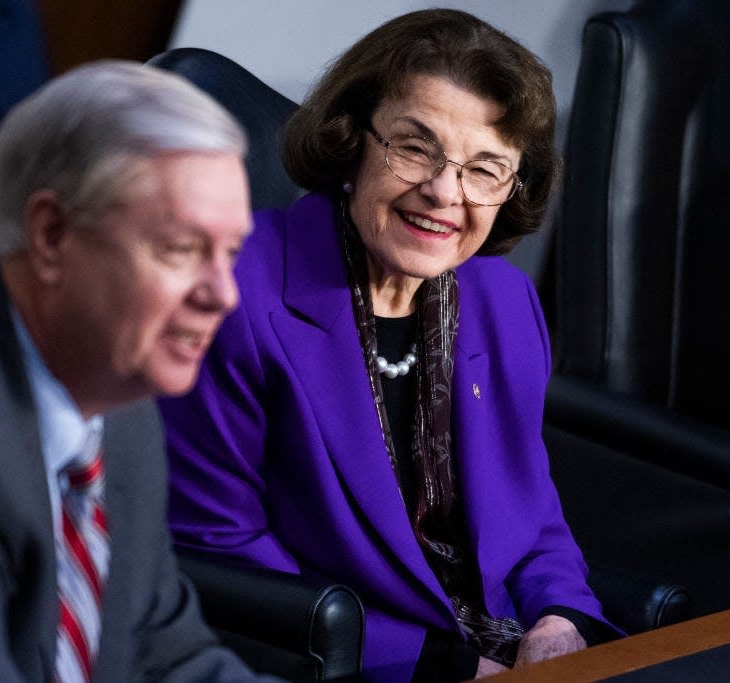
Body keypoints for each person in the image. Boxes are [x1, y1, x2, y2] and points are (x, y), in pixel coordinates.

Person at [158, 9, 619, 682]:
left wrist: (558, 616)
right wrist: (443, 662)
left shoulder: (504, 302)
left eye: (485, 168)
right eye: (415, 147)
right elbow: (218, 547)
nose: (443, 191)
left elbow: (532, 516)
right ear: (352, 140)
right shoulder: (231, 294)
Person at [0, 61, 277, 682]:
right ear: (51, 234)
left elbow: (171, 658)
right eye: (180, 249)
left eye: (230, 253)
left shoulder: (119, 403)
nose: (224, 293)